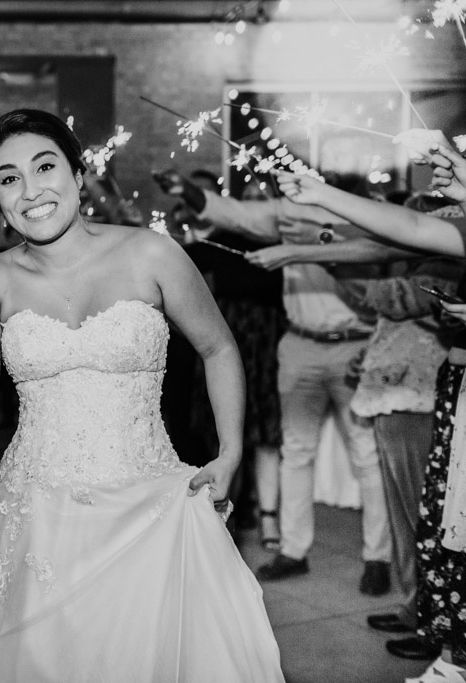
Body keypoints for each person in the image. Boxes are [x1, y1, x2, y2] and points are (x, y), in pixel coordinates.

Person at [0, 109, 283, 681]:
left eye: (45, 167)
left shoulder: (152, 254)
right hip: (39, 516)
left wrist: (230, 454)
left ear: (79, 174)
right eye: (9, 179)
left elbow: (220, 348)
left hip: (150, 504)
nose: (31, 191)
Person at [155, 166, 395, 595]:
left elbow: (376, 259)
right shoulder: (287, 215)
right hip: (300, 343)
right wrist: (187, 188)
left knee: (365, 454)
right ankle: (293, 549)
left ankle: (377, 558)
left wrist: (295, 253)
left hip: (354, 345)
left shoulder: (360, 218)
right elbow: (236, 214)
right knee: (294, 451)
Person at [275, 150, 466, 680]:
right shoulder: (434, 219)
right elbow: (402, 230)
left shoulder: (443, 227)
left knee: (439, 515)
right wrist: (318, 199)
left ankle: (441, 627)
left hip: (419, 380)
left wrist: (327, 259)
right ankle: (429, 613)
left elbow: (403, 293)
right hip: (427, 375)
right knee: (431, 513)